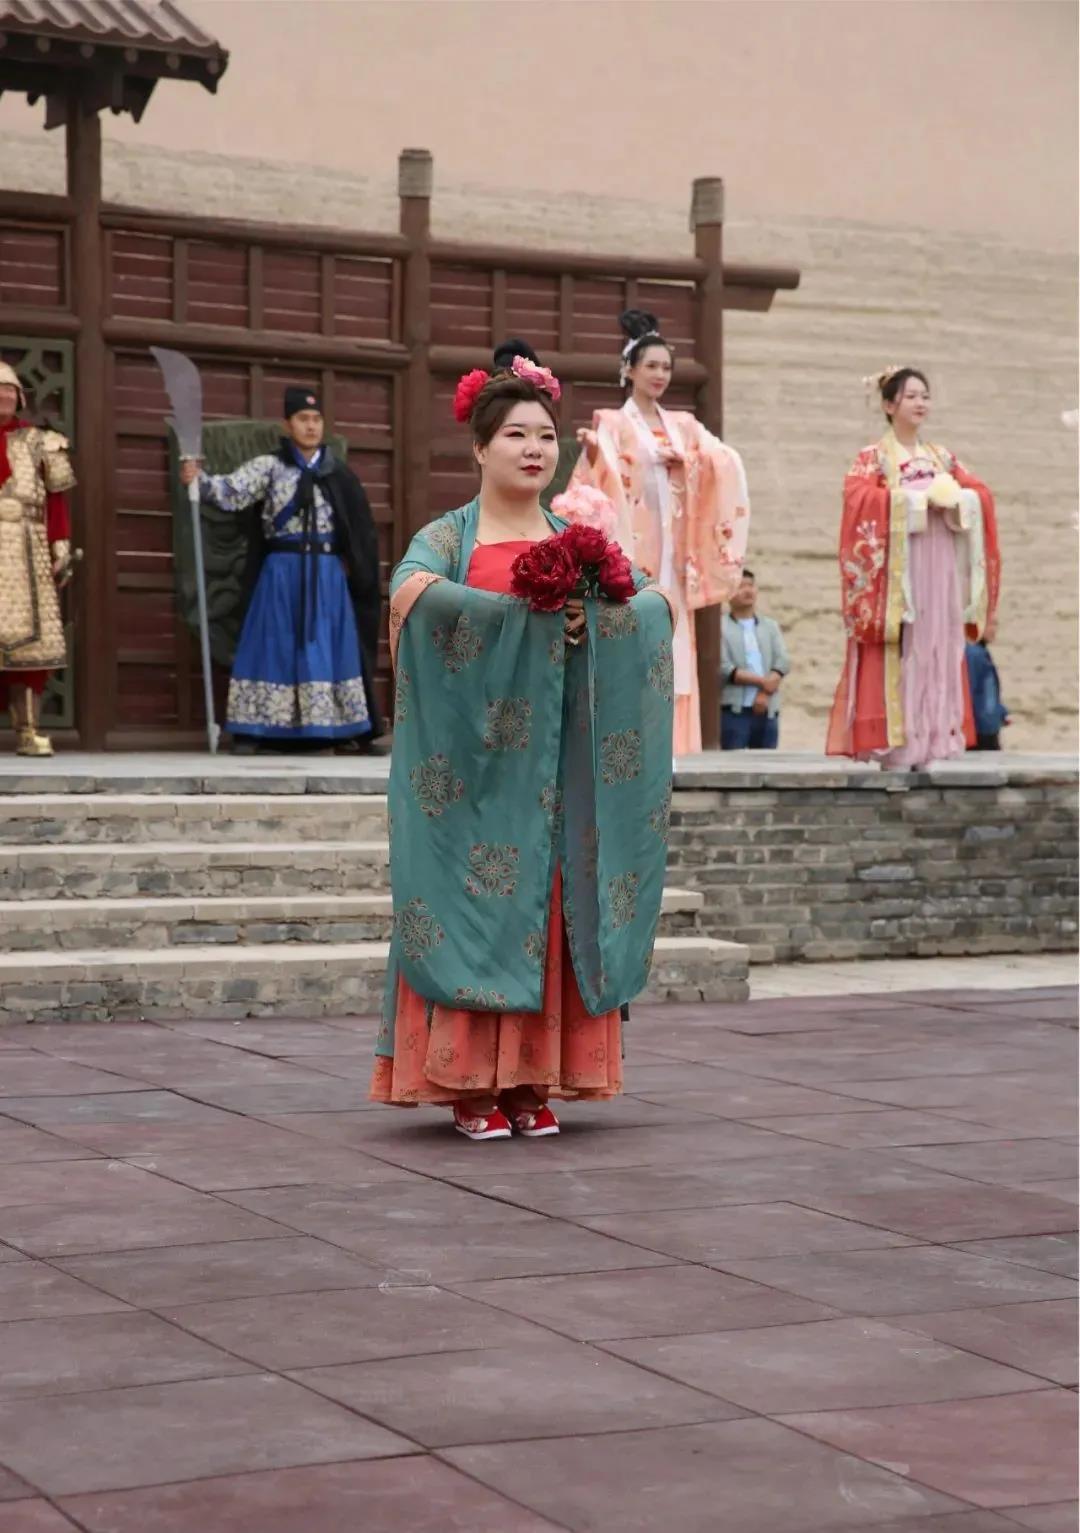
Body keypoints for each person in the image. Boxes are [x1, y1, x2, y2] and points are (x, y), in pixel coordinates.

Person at [369, 341, 675, 1141]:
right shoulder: (450, 537)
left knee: (553, 912)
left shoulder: (578, 538)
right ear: (480, 447)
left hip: (557, 772)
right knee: (477, 912)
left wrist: (593, 620)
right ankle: (470, 1084)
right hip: (475, 776)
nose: (535, 448)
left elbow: (654, 605)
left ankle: (533, 1079)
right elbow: (409, 594)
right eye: (515, 435)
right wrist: (520, 621)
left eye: (545, 435)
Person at [569, 309, 750, 756]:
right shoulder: (612, 423)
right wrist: (594, 456)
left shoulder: (684, 426)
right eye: (651, 365)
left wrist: (689, 461)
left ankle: (673, 746)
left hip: (676, 550)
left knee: (674, 641)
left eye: (666, 367)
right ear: (629, 369)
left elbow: (726, 460)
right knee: (634, 634)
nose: (660, 375)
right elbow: (597, 482)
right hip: (635, 549)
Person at [179, 386, 381, 751]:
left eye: (316, 419)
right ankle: (258, 728)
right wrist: (199, 480)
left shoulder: (338, 473)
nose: (311, 426)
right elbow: (230, 492)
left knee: (324, 647)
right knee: (273, 645)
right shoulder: (269, 467)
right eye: (303, 419)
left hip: (326, 575)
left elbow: (359, 530)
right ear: (287, 425)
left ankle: (333, 729)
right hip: (281, 571)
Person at [826, 366, 1000, 768]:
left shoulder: (941, 457)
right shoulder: (873, 458)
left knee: (940, 644)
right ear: (890, 405)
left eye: (925, 396)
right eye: (911, 396)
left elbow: (980, 493)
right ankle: (900, 741)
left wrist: (958, 500)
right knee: (906, 646)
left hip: (940, 564)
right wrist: (916, 502)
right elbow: (857, 499)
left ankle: (937, 737)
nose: (921, 403)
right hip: (900, 569)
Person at [0, 361, 76, 757]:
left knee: (31, 646)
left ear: (19, 397)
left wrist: (60, 547)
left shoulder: (41, 442)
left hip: (28, 549)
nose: (4, 396)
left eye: (9, 390)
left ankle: (28, 731)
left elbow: (57, 503)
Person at [720, 569, 789, 749]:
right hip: (734, 712)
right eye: (741, 586)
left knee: (767, 763)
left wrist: (764, 693)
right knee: (733, 763)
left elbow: (782, 661)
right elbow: (724, 667)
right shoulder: (720, 627)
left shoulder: (770, 626)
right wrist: (764, 682)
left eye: (750, 585)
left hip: (768, 710)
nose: (747, 591)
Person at [966, 617, 1010, 750]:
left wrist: (1000, 712)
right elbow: (972, 692)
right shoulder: (974, 654)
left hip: (985, 726)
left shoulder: (980, 652)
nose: (994, 629)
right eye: (990, 624)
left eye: (995, 624)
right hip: (982, 730)